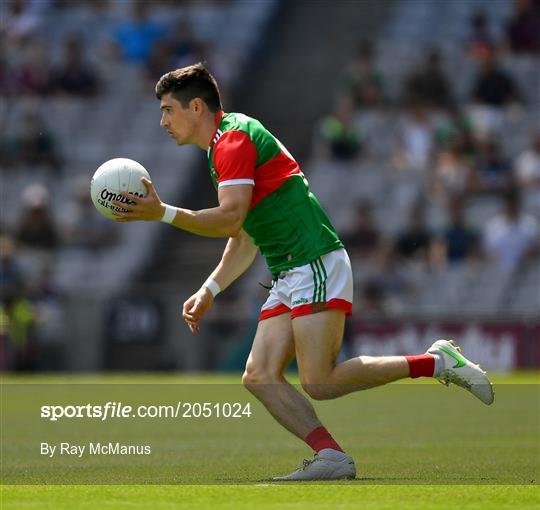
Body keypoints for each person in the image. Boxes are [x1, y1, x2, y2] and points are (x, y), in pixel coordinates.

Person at [113, 63, 494, 481]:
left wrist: (162, 213)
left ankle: (437, 362)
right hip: (289, 270)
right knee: (258, 375)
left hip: (312, 260)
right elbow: (244, 234)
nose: (163, 121)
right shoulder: (222, 146)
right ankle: (330, 455)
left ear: (197, 106)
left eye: (168, 109)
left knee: (320, 381)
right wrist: (211, 288)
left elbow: (228, 218)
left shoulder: (234, 140)